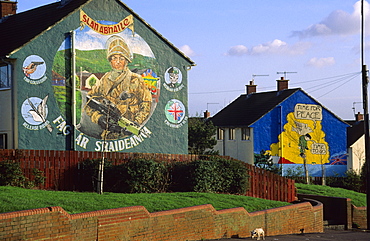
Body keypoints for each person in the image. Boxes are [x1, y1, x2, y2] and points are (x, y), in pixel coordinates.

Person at [84, 35, 152, 139]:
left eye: (121, 58)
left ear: (127, 60)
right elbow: (89, 102)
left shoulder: (136, 80)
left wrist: (136, 122)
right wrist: (98, 118)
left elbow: (146, 104)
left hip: (129, 132)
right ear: (110, 61)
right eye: (114, 58)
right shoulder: (104, 80)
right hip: (108, 134)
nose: (118, 61)